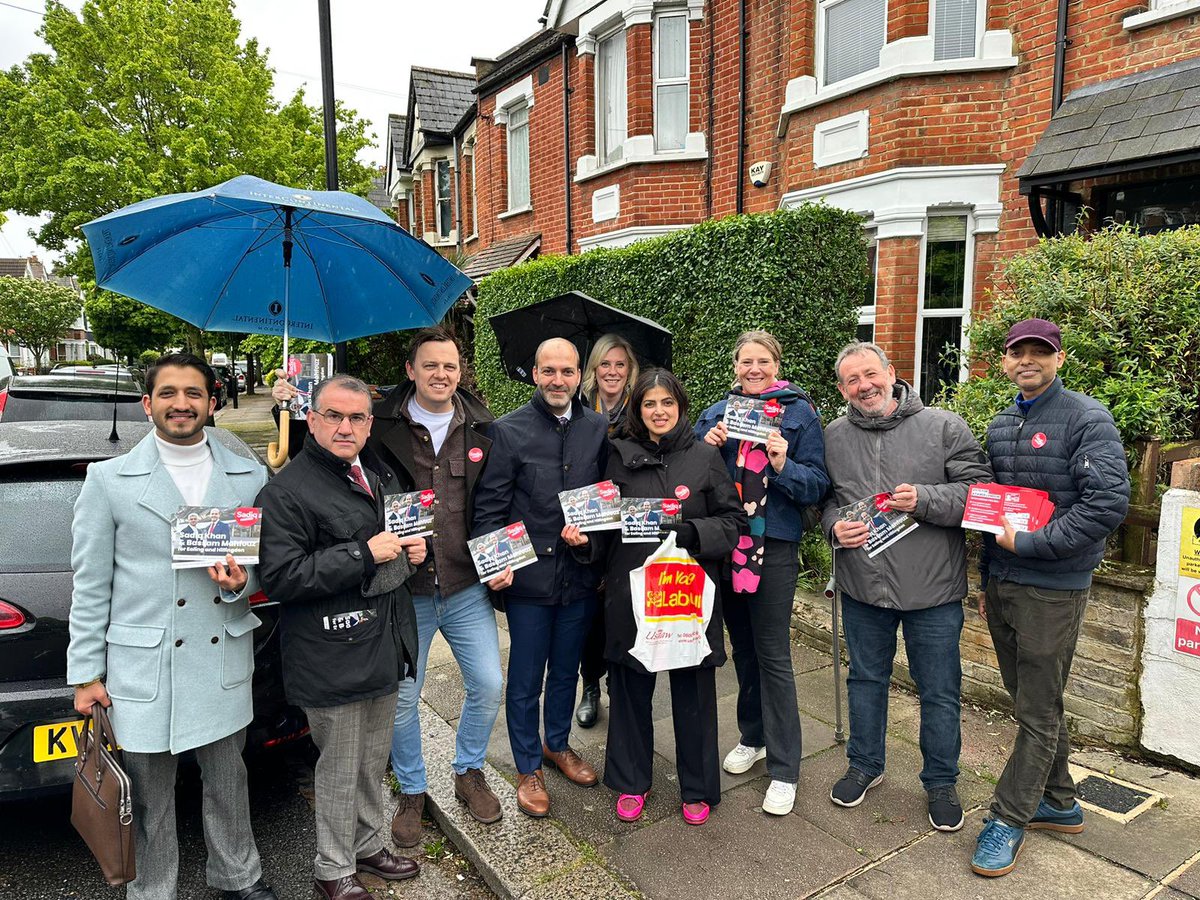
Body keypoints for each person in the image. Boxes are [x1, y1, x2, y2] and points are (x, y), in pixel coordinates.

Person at [272, 328, 505, 845]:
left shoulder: (486, 425)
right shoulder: (378, 423)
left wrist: (501, 557)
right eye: (430, 365)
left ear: (460, 371)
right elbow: (325, 455)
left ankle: (468, 769)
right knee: (403, 699)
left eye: (449, 365)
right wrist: (285, 411)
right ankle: (413, 790)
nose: (441, 374)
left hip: (466, 583)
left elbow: (497, 501)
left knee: (489, 685)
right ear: (411, 371)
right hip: (405, 589)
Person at [66, 353, 275, 900]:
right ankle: (152, 891)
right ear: (148, 404)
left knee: (230, 782)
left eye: (192, 393)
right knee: (149, 798)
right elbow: (90, 586)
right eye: (168, 393)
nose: (180, 403)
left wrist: (238, 580)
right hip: (142, 665)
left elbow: (257, 564)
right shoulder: (108, 480)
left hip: (220, 653)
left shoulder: (249, 475)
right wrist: (86, 673)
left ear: (212, 402)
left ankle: (238, 877)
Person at [971, 318, 1130, 877]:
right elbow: (994, 509)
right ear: (1006, 361)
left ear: (1059, 359)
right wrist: (988, 576)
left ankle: (1008, 818)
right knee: (1032, 700)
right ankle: (1058, 802)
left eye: (1041, 352)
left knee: (1036, 710)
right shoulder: (1002, 422)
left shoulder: (1087, 418)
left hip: (1055, 587)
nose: (1028, 361)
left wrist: (1035, 544)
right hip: (1006, 581)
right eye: (1018, 353)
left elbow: (1106, 504)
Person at [257, 374, 426, 900]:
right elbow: (282, 577)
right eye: (334, 415)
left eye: (357, 418)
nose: (345, 426)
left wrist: (407, 551)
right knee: (338, 765)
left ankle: (369, 844)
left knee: (373, 759)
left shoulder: (372, 473)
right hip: (330, 653)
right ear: (313, 417)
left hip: (382, 643)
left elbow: (386, 545)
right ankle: (332, 869)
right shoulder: (286, 491)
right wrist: (363, 554)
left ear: (370, 424)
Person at [820, 342, 991, 832]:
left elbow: (979, 494)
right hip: (862, 586)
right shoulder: (833, 435)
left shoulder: (943, 427)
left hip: (932, 590)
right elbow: (826, 500)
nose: (864, 386)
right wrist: (834, 527)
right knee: (865, 680)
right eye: (852, 380)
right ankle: (865, 765)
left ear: (892, 373)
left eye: (870, 374)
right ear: (842, 388)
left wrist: (926, 498)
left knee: (939, 691)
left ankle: (940, 781)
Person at [566, 370, 745, 825]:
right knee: (628, 689)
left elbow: (733, 524)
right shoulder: (616, 457)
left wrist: (689, 532)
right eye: (649, 404)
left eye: (667, 402)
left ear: (681, 406)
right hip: (631, 592)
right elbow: (604, 528)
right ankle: (630, 782)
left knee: (695, 694)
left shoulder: (705, 457)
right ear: (636, 409)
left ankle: (699, 787)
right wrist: (585, 543)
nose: (659, 411)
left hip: (688, 596)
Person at [471, 337, 609, 817]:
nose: (558, 380)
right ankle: (527, 766)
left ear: (578, 376)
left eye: (567, 371)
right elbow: (489, 507)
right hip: (528, 578)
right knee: (526, 678)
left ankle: (557, 744)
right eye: (548, 371)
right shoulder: (507, 431)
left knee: (567, 671)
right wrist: (494, 567)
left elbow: (605, 501)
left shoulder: (597, 426)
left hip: (578, 576)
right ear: (534, 374)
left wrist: (591, 546)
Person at [695, 329, 830, 816]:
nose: (754, 369)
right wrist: (703, 445)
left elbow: (816, 485)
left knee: (773, 653)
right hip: (727, 544)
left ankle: (785, 768)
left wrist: (783, 462)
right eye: (745, 362)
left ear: (777, 364)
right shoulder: (716, 413)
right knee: (744, 649)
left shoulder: (799, 412)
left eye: (762, 361)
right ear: (735, 366)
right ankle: (752, 737)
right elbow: (690, 478)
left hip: (772, 544)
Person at [575, 334, 639, 728]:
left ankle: (621, 683)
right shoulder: (578, 409)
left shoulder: (640, 410)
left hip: (626, 523)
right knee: (589, 614)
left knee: (623, 608)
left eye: (620, 364)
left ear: (629, 371)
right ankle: (591, 686)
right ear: (593, 371)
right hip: (589, 522)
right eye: (605, 364)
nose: (612, 371)